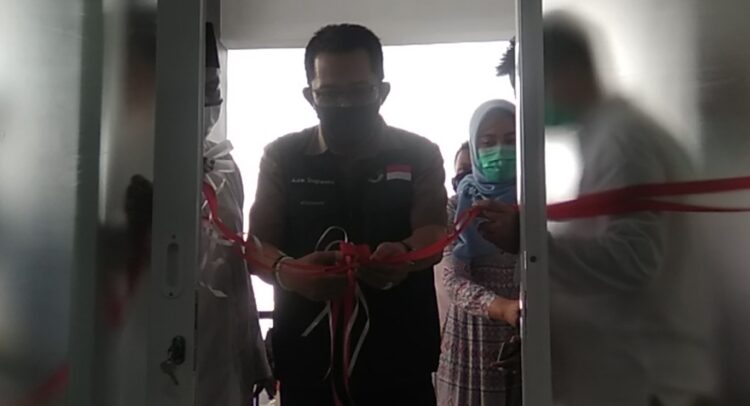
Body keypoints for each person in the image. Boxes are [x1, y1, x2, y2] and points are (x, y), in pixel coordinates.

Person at [487, 14, 714, 406]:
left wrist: (529, 241)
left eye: (532, 93)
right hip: (631, 372)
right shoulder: (609, 136)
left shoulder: (622, 139)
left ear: (570, 73)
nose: (529, 110)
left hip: (648, 381)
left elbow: (634, 259)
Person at [248, 24, 447, 406]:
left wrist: (406, 255)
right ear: (310, 96)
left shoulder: (419, 153)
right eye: (330, 94)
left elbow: (435, 231)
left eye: (358, 92)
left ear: (382, 92)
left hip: (400, 357)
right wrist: (288, 272)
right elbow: (257, 246)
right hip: (308, 361)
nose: (344, 105)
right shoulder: (282, 156)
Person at [436, 100, 520, 406]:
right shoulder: (456, 205)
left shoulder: (543, 200)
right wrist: (504, 308)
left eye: (511, 140)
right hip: (470, 341)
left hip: (529, 333)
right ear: (475, 148)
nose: (499, 150)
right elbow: (452, 279)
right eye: (487, 142)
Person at [435, 142, 471, 329]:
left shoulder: (516, 210)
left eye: (475, 169)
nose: (469, 176)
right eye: (463, 170)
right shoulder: (449, 210)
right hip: (456, 326)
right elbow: (452, 279)